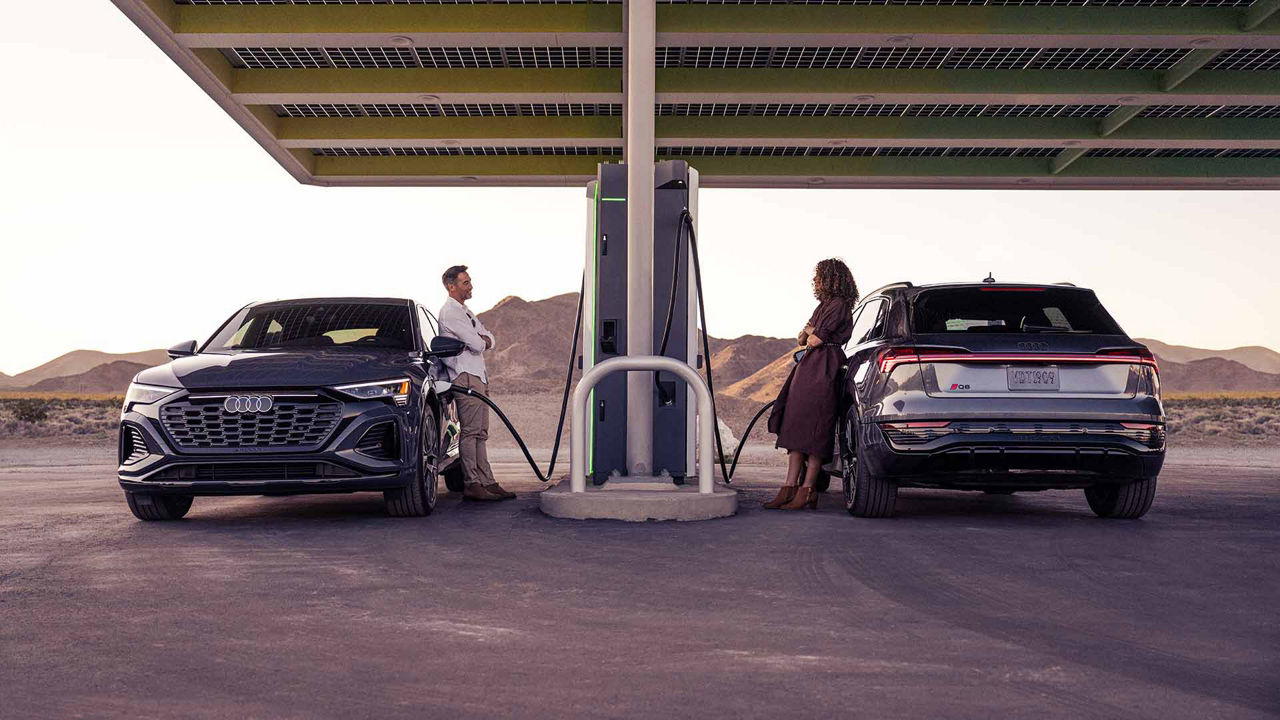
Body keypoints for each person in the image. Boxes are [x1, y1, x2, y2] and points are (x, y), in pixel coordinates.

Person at [763, 259, 858, 510]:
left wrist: (811, 332)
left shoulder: (839, 305)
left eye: (818, 277)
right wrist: (810, 332)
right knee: (796, 424)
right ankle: (788, 488)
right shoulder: (823, 305)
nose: (815, 282)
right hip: (810, 366)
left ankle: (807, 489)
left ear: (831, 278)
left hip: (825, 365)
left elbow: (813, 339)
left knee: (816, 427)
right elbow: (801, 339)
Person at [437, 265, 514, 502]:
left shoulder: (466, 311)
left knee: (481, 432)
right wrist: (481, 341)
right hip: (464, 375)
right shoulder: (450, 312)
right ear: (451, 286)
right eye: (465, 283)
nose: (471, 286)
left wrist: (483, 340)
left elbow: (489, 337)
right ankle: (472, 483)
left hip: (478, 376)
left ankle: (488, 481)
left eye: (469, 282)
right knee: (470, 433)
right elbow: (479, 344)